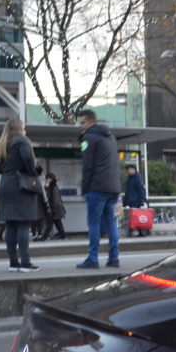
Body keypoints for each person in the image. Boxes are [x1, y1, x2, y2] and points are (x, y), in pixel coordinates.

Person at [0, 116, 44, 272]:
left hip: (5, 185)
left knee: (11, 225)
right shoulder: (21, 142)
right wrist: (33, 171)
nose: (25, 130)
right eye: (23, 127)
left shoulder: (0, 145)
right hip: (20, 186)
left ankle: (13, 262)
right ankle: (26, 262)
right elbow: (28, 159)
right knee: (23, 224)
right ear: (18, 129)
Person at [75, 109, 121, 269]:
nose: (80, 126)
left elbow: (87, 166)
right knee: (111, 223)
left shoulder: (88, 138)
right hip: (113, 187)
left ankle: (93, 258)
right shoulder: (110, 136)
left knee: (93, 222)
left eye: (82, 123)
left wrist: (84, 188)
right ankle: (114, 258)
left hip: (97, 187)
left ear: (91, 122)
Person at [123, 162, 147, 236]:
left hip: (135, 201)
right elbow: (128, 191)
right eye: (127, 170)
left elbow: (141, 189)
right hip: (131, 201)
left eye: (129, 169)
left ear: (134, 170)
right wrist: (125, 202)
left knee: (134, 217)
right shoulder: (130, 179)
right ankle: (140, 232)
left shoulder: (137, 178)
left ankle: (131, 231)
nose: (128, 171)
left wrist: (142, 200)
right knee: (135, 217)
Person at [43, 172, 66, 240]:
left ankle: (44, 237)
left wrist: (53, 208)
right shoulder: (50, 187)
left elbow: (56, 199)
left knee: (50, 223)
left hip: (55, 208)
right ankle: (63, 236)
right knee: (57, 222)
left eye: (50, 178)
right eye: (48, 178)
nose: (48, 180)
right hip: (53, 208)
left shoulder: (54, 187)